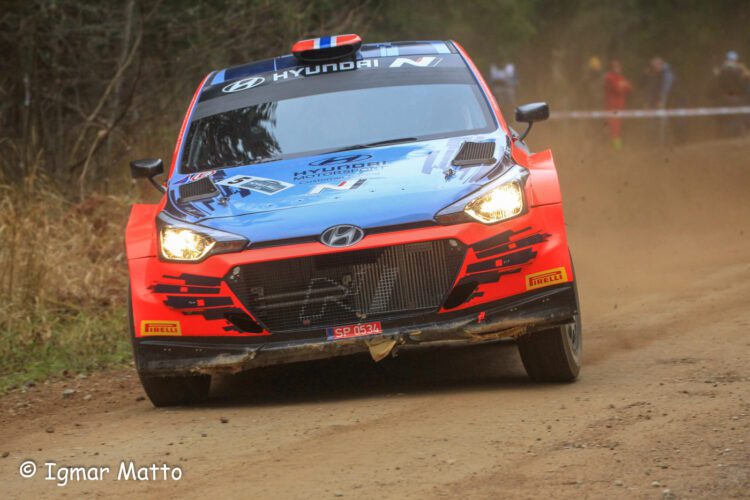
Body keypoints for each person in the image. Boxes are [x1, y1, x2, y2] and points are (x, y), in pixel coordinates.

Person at [714, 51, 750, 136]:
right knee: (740, 113)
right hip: (735, 95)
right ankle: (740, 132)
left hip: (724, 95)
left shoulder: (722, 69)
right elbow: (743, 80)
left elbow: (717, 79)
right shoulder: (737, 69)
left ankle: (727, 132)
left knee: (729, 114)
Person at [644, 57, 675, 145]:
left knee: (663, 121)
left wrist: (661, 100)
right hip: (658, 101)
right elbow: (653, 90)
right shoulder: (660, 74)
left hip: (663, 100)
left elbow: (666, 88)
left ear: (659, 65)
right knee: (658, 122)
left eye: (655, 66)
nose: (654, 69)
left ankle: (667, 142)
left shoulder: (666, 74)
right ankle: (660, 143)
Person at [604, 60, 632, 150]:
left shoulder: (620, 77)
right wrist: (623, 85)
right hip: (612, 108)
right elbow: (617, 88)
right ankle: (616, 150)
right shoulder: (609, 77)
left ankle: (616, 149)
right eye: (615, 66)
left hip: (620, 108)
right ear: (611, 68)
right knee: (614, 130)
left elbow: (629, 87)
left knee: (618, 130)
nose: (618, 68)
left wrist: (623, 85)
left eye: (619, 66)